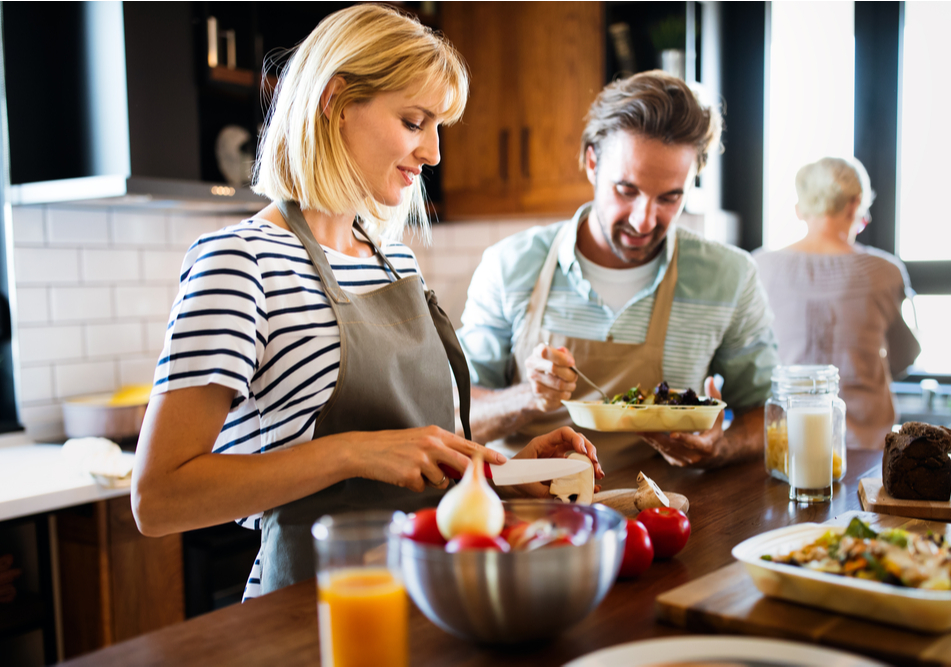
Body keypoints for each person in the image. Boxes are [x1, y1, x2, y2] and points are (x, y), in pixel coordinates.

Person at [130, 4, 601, 600]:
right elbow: (158, 498)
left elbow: (410, 460)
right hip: (314, 610)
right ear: (335, 102)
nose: (432, 152)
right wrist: (350, 452)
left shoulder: (392, 259)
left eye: (438, 127)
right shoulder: (239, 259)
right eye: (413, 121)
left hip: (433, 593)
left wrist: (500, 477)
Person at [458, 72, 780, 472]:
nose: (644, 221)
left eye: (669, 197)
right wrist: (528, 397)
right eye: (626, 191)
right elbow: (457, 416)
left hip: (663, 517)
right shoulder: (509, 265)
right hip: (530, 515)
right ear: (592, 162)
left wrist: (720, 447)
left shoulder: (729, 277)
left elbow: (771, 415)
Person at [753, 157, 920, 449]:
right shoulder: (885, 271)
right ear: (855, 205)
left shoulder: (758, 266)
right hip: (865, 448)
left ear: (800, 209)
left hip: (785, 444)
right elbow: (904, 357)